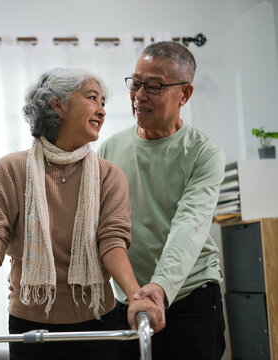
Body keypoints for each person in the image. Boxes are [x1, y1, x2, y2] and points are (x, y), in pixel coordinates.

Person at [0, 68, 163, 360]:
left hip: (98, 321)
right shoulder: (10, 170)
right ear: (58, 104)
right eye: (93, 98)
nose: (101, 111)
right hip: (28, 324)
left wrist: (135, 297)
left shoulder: (109, 175)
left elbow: (112, 242)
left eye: (104, 103)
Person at [97, 41, 226, 360]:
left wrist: (161, 287)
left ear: (184, 94)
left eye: (154, 86)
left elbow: (190, 226)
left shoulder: (203, 154)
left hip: (189, 295)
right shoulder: (110, 151)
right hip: (130, 299)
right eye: (136, 83)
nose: (139, 95)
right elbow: (101, 230)